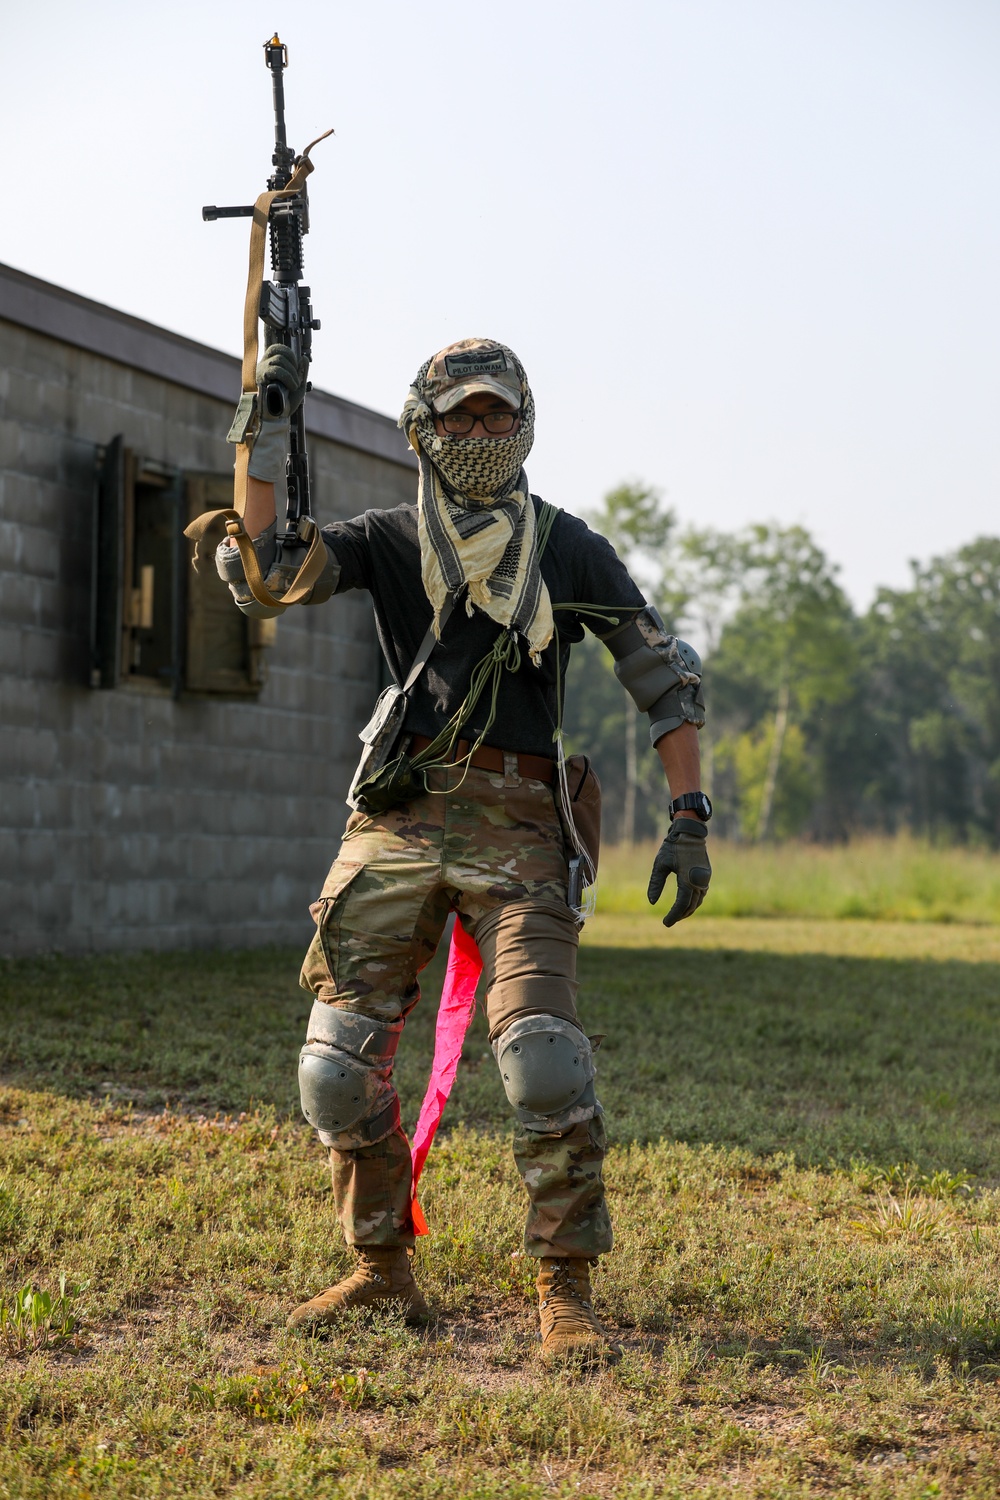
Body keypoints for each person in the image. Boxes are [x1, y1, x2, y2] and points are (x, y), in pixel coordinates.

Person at [216, 338, 712, 1364]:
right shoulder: (391, 539)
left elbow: (660, 676)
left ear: (524, 422)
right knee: (333, 1070)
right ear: (423, 427)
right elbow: (270, 574)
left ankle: (564, 1292)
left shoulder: (565, 548)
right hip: (399, 818)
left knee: (539, 1057)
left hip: (523, 823)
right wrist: (263, 431)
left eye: (496, 415)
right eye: (460, 417)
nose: (479, 435)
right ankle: (380, 1268)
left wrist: (689, 815)